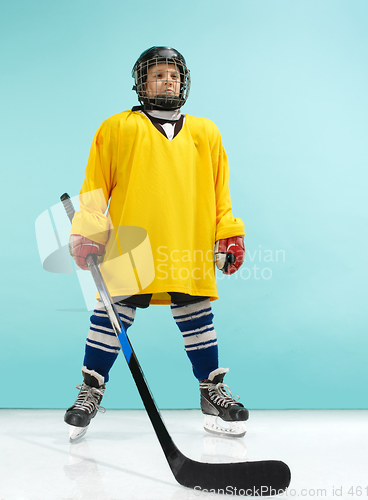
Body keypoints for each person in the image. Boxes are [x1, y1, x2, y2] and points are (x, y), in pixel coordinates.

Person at [65, 46, 248, 441]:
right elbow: (95, 188)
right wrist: (89, 231)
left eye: (174, 75)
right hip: (132, 242)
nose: (168, 80)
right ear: (142, 82)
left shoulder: (206, 131)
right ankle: (90, 390)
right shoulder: (117, 127)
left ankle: (210, 391)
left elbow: (221, 192)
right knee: (113, 315)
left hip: (188, 239)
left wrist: (227, 232)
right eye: (159, 74)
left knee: (196, 312)